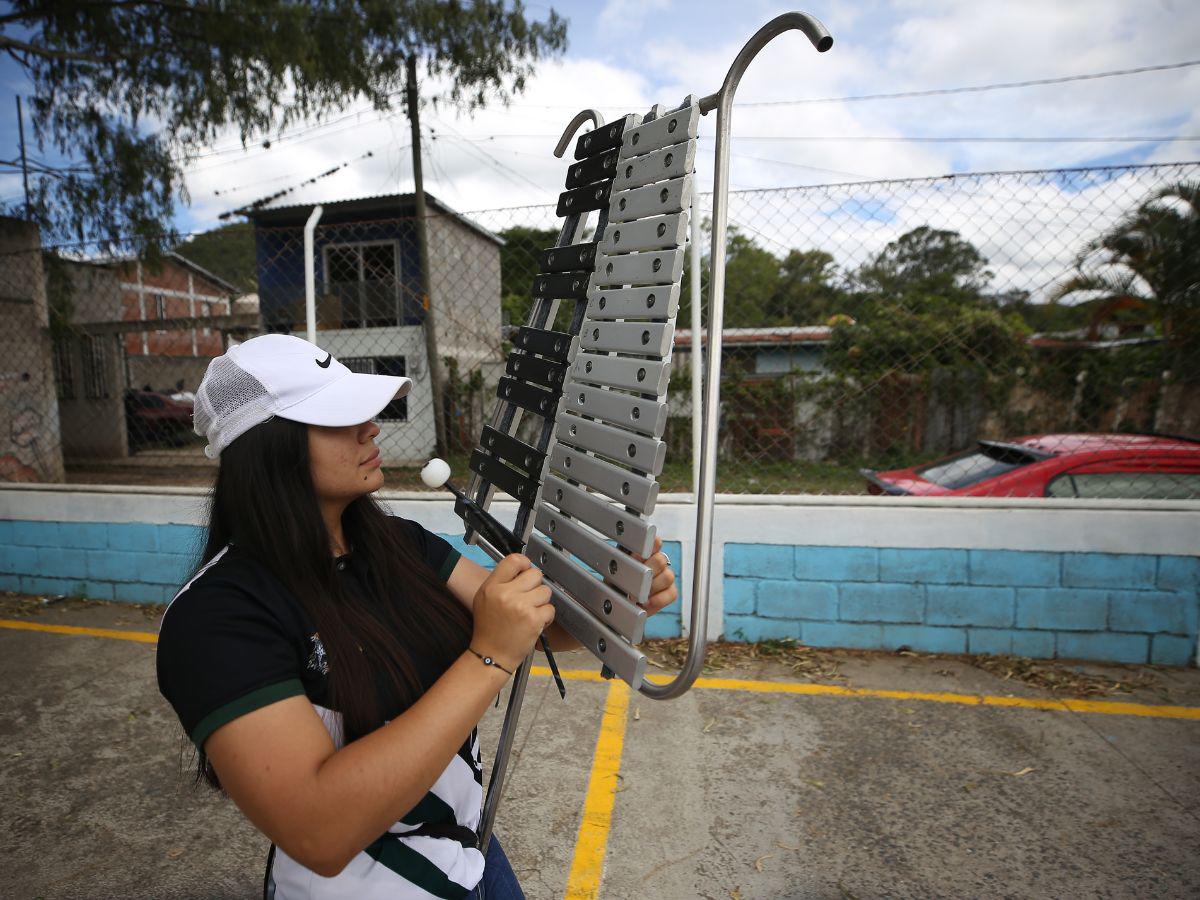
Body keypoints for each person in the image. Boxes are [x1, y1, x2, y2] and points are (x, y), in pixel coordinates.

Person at [155, 334, 678, 899]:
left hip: (467, 853)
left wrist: (613, 599)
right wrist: (489, 656)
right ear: (268, 448)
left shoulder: (397, 544)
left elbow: (531, 624)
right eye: (338, 417)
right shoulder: (217, 619)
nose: (371, 427)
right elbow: (318, 830)